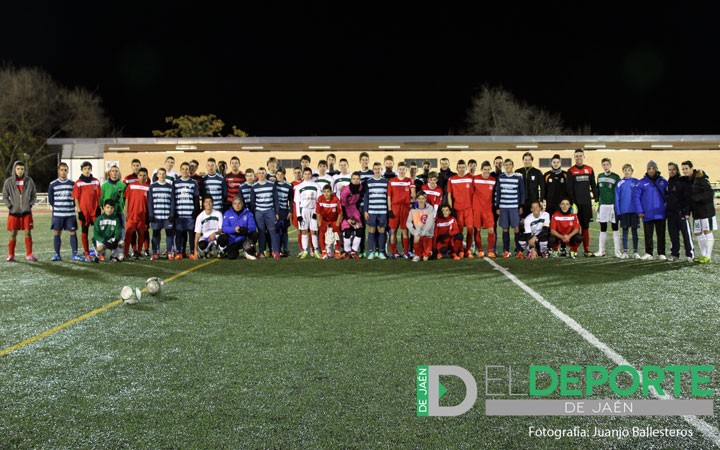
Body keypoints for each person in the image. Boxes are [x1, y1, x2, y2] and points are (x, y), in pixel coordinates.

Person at [633, 160, 668, 260]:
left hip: (660, 213)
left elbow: (669, 196)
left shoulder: (663, 181)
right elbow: (636, 198)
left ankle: (661, 253)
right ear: (647, 170)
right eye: (649, 168)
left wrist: (667, 209)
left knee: (661, 234)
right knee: (648, 235)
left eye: (653, 168)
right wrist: (639, 211)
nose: (651, 170)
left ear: (657, 169)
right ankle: (649, 252)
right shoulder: (641, 183)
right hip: (647, 213)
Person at [3, 161, 37, 261]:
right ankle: (11, 254)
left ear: (24, 170)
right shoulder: (9, 181)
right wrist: (10, 206)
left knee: (28, 233)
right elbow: (5, 196)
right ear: (14, 169)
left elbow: (34, 194)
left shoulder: (29, 181)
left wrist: (30, 204)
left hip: (26, 212)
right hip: (14, 213)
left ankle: (29, 254)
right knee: (13, 233)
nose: (20, 171)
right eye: (18, 169)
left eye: (22, 169)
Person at [566, 149, 597, 256]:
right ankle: (574, 249)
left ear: (584, 157)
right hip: (576, 205)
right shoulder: (570, 171)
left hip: (587, 204)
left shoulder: (589, 169)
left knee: (585, 226)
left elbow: (593, 186)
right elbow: (569, 189)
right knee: (575, 228)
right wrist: (572, 203)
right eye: (576, 156)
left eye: (580, 156)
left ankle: (586, 249)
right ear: (574, 158)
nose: (578, 158)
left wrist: (596, 201)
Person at [48, 162, 81, 261]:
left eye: (65, 170)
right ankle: (57, 254)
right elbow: (51, 199)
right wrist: (58, 207)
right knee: (57, 233)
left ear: (68, 171)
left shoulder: (72, 184)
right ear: (58, 171)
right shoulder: (53, 184)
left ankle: (74, 254)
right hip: (58, 214)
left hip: (70, 214)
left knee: (73, 232)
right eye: (61, 170)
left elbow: (75, 198)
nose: (63, 172)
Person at [515, 152, 545, 253]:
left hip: (534, 204)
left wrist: (541, 201)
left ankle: (534, 245)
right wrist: (518, 204)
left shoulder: (537, 172)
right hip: (522, 204)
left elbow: (543, 187)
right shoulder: (518, 172)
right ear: (523, 160)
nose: (527, 161)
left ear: (532, 160)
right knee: (521, 225)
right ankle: (520, 246)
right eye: (525, 159)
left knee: (534, 225)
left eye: (529, 159)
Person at [495, 158, 525, 258]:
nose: (508, 166)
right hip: (503, 207)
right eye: (506, 165)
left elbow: (522, 193)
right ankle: (506, 251)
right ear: (504, 166)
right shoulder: (500, 177)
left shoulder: (518, 178)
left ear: (512, 166)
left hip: (514, 207)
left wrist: (521, 205)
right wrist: (497, 206)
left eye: (509, 165)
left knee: (516, 228)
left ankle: (519, 251)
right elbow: (498, 192)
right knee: (505, 229)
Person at [72, 161, 101, 261]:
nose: (87, 170)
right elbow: (76, 198)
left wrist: (98, 208)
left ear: (91, 169)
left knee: (98, 232)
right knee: (85, 232)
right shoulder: (78, 183)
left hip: (94, 212)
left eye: (88, 168)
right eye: (85, 169)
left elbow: (98, 197)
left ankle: (99, 253)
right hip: (84, 213)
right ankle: (87, 253)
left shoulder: (96, 181)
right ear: (82, 170)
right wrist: (79, 212)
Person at [666, 162, 694, 262]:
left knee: (686, 235)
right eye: (669, 169)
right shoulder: (668, 182)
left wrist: (686, 212)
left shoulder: (682, 181)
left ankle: (690, 254)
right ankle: (674, 254)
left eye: (673, 169)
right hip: (671, 214)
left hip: (681, 213)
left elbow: (687, 198)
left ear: (677, 170)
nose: (671, 171)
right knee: (673, 235)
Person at [251, 167, 280, 259]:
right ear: (257, 175)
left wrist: (276, 212)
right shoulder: (254, 186)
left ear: (266, 174)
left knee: (272, 231)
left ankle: (275, 251)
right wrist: (253, 213)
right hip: (259, 212)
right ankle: (261, 251)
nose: (261, 175)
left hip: (269, 211)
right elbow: (252, 202)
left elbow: (276, 200)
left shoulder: (272, 184)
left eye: (263, 173)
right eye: (259, 173)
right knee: (261, 232)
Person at [388, 162, 416, 259]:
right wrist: (389, 209)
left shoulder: (410, 181)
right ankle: (393, 252)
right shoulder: (392, 181)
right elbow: (389, 196)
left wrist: (412, 203)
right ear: (397, 170)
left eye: (404, 169)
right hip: (395, 208)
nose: (402, 171)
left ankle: (405, 252)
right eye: (400, 169)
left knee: (405, 230)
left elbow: (413, 194)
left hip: (406, 208)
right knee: (393, 231)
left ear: (406, 170)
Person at [447, 159, 475, 257]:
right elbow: (449, 195)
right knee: (459, 231)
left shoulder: (471, 178)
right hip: (457, 209)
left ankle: (468, 250)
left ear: (466, 168)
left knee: (470, 230)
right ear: (457, 168)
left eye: (463, 167)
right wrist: (451, 209)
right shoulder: (452, 179)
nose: (461, 169)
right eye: (460, 167)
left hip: (469, 209)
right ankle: (461, 250)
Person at [173, 162, 201, 259]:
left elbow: (196, 198)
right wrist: (174, 212)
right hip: (179, 213)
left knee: (191, 234)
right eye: (183, 169)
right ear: (180, 170)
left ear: (189, 170)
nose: (185, 171)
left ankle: (192, 252)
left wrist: (195, 211)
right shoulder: (175, 182)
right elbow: (173, 198)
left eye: (187, 169)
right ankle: (180, 252)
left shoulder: (193, 182)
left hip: (190, 213)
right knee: (180, 234)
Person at [595, 158, 621, 257]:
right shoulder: (599, 176)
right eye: (604, 164)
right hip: (603, 206)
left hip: (613, 205)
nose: (605, 166)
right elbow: (597, 190)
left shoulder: (616, 177)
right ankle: (601, 251)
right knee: (603, 228)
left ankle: (617, 252)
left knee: (615, 228)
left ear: (610, 165)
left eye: (607, 164)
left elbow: (619, 191)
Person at [148, 168, 176, 260]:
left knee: (169, 234)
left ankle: (169, 252)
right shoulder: (152, 187)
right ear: (157, 175)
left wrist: (172, 214)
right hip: (156, 216)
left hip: (167, 216)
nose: (162, 175)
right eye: (160, 174)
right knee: (155, 234)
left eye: (163, 174)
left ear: (165, 175)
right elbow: (150, 202)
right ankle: (155, 252)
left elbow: (172, 201)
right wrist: (151, 214)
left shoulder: (170, 186)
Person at [364, 162, 389, 260]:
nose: (377, 170)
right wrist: (366, 210)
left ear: (381, 169)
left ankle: (381, 252)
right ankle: (371, 251)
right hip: (372, 210)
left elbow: (388, 197)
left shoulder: (386, 181)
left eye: (379, 168)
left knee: (382, 230)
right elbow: (366, 197)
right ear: (373, 170)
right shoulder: (369, 182)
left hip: (382, 210)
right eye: (375, 169)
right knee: (371, 230)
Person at [690, 167, 716, 263]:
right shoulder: (692, 181)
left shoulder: (703, 181)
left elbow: (709, 194)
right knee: (698, 233)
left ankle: (708, 256)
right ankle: (703, 254)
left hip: (706, 212)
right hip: (697, 213)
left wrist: (696, 198)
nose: (684, 171)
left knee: (707, 232)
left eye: (686, 169)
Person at [615, 164, 641, 259]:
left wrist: (639, 210)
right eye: (625, 170)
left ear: (632, 171)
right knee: (625, 231)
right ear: (623, 171)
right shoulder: (620, 183)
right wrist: (618, 212)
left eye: (629, 170)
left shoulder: (636, 182)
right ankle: (625, 251)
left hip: (634, 211)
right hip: (624, 211)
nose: (627, 172)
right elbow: (617, 198)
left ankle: (635, 252)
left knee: (635, 232)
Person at [294, 167, 321, 259]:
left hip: (313, 210)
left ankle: (316, 250)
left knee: (314, 231)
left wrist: (316, 212)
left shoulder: (316, 186)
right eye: (305, 174)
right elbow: (297, 202)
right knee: (304, 231)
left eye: (309, 174)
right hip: (303, 210)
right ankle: (305, 251)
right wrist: (298, 215)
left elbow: (318, 200)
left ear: (311, 175)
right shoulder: (299, 187)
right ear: (303, 175)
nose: (307, 175)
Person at [124, 167, 151, 259]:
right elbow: (127, 199)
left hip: (143, 216)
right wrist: (126, 212)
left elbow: (150, 203)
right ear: (137, 176)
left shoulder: (149, 187)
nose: (142, 177)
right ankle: (126, 252)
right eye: (140, 175)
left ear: (147, 176)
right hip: (132, 215)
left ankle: (139, 252)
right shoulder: (131, 186)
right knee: (128, 235)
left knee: (141, 234)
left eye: (144, 175)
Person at [472, 161, 497, 258]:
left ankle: (490, 250)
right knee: (477, 230)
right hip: (477, 208)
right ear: (481, 169)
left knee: (491, 230)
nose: (486, 171)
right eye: (484, 169)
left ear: (490, 170)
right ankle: (480, 250)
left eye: (488, 169)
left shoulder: (493, 180)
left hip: (488, 209)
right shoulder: (475, 179)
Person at [100, 165, 127, 256]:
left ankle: (117, 253)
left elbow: (126, 199)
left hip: (118, 213)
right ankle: (102, 253)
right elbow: (101, 199)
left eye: (116, 171)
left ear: (118, 173)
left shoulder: (123, 186)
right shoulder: (104, 186)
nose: (114, 173)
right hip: (107, 214)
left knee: (119, 233)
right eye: (113, 171)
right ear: (109, 173)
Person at [340, 173, 365, 259]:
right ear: (351, 180)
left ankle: (354, 251)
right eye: (354, 179)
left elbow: (360, 192)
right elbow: (342, 205)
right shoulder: (345, 190)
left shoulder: (360, 187)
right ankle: (347, 251)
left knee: (359, 230)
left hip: (354, 211)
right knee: (347, 231)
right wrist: (347, 219)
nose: (356, 180)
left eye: (357, 179)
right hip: (346, 211)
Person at [406, 191, 435, 262]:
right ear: (416, 199)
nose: (421, 200)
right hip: (419, 234)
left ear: (425, 199)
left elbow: (430, 222)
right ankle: (417, 255)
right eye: (419, 198)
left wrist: (423, 232)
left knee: (425, 259)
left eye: (423, 198)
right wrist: (414, 232)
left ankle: (428, 252)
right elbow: (408, 222)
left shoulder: (430, 208)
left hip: (427, 234)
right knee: (416, 237)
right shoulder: (413, 210)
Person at [316, 184, 343, 258]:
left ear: (331, 192)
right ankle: (324, 252)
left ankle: (337, 252)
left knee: (337, 235)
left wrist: (337, 224)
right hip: (324, 220)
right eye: (324, 192)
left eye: (328, 191)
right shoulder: (320, 199)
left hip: (334, 219)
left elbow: (340, 213)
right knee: (321, 234)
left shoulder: (335, 199)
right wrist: (319, 223)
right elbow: (318, 213)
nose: (326, 194)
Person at [275, 168, 293, 257]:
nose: (279, 176)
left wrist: (290, 211)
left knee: (285, 230)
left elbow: (291, 199)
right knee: (277, 230)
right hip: (276, 211)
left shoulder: (289, 185)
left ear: (284, 175)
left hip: (285, 211)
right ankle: (277, 250)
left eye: (281, 174)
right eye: (278, 174)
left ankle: (285, 249)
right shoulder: (273, 185)